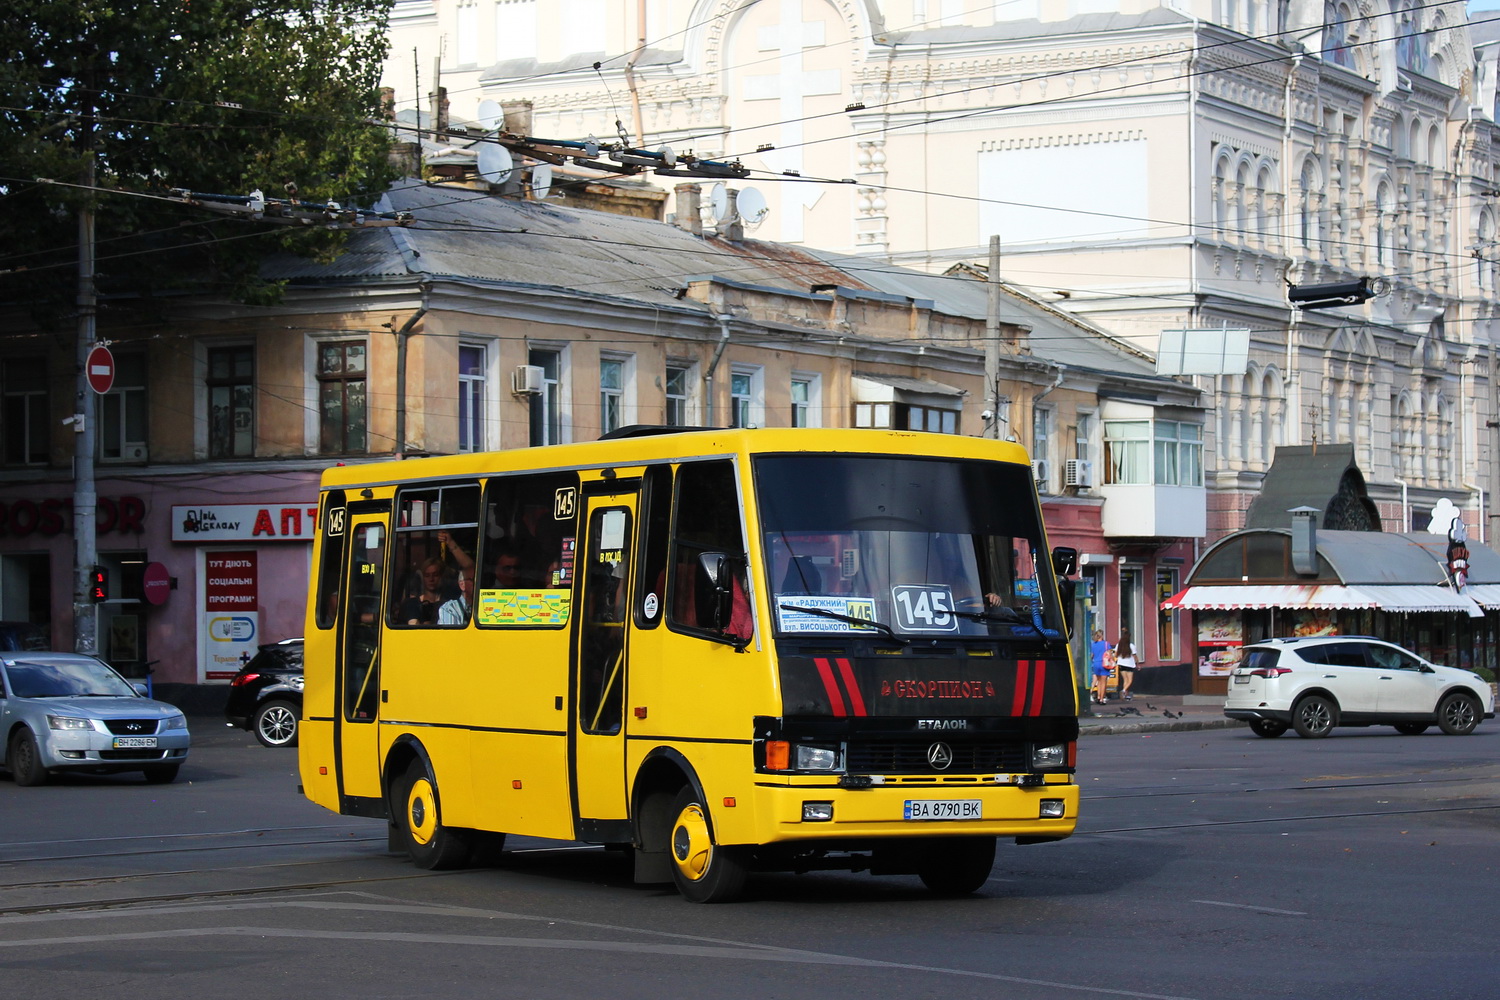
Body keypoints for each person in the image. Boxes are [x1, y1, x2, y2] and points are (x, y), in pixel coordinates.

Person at [397, 557, 455, 624]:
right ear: (422, 577)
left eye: (435, 575)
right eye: (427, 575)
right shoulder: (411, 604)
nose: (431, 579)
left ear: (442, 576)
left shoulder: (449, 605)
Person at [1115, 628, 1140, 701]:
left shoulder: (1118, 645)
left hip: (1121, 664)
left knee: (1125, 680)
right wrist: (1137, 664)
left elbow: (1116, 655)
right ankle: (1123, 691)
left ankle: (1125, 695)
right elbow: (1135, 656)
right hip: (1130, 665)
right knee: (1130, 681)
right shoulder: (1131, 646)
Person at [1090, 629, 1111, 705]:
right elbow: (1109, 654)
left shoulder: (1093, 644)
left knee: (1098, 681)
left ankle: (1098, 697)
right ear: (1102, 635)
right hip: (1104, 664)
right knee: (1103, 682)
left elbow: (1092, 655)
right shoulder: (1106, 644)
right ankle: (1102, 699)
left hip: (1096, 664)